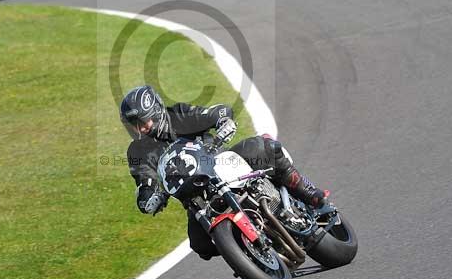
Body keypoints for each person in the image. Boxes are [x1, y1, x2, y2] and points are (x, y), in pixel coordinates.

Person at [120, 85, 330, 260]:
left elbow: (216, 113)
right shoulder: (137, 150)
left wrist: (223, 122)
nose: (139, 129)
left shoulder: (179, 115)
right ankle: (247, 252)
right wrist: (148, 198)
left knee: (262, 148)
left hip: (221, 164)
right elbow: (143, 178)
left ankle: (308, 192)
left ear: (156, 113)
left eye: (142, 122)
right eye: (134, 125)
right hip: (195, 198)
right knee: (200, 244)